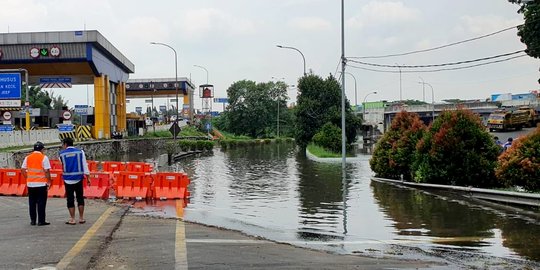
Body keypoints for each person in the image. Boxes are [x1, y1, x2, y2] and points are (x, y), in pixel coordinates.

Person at [59, 137, 90, 225]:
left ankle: (72, 219)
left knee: (70, 199)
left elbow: (63, 164)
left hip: (68, 180)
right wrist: (88, 177)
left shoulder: (61, 154)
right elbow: (85, 165)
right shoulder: (80, 152)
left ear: (65, 144)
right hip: (78, 178)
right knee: (80, 198)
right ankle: (81, 218)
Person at [21, 141, 52, 226]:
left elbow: (23, 169)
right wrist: (49, 180)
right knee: (41, 203)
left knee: (32, 202)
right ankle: (41, 221)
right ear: (42, 149)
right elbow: (47, 171)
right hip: (41, 184)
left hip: (30, 184)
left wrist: (27, 177)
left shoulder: (28, 157)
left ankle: (33, 220)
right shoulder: (44, 157)